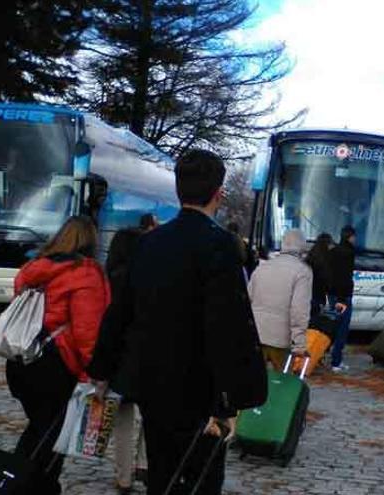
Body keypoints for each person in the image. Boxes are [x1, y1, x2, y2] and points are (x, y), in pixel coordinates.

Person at [87, 149, 267, 495]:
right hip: (198, 386)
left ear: (178, 190)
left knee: (162, 470)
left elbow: (122, 310)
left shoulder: (150, 243)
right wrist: (230, 399)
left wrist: (103, 367)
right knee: (200, 476)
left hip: (152, 380)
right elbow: (227, 325)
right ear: (219, 193)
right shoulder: (219, 245)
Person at [6, 216, 110, 494]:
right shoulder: (86, 274)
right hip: (57, 366)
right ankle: (36, 487)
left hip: (22, 361)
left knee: (39, 428)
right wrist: (96, 375)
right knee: (53, 437)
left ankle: (14, 479)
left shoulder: (35, 267)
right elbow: (88, 332)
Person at [101, 227, 148, 494]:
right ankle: (144, 463)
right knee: (150, 416)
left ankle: (123, 476)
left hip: (122, 360)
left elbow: (109, 327)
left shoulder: (113, 280)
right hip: (150, 358)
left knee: (122, 421)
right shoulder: (152, 278)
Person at [248, 229, 312, 371]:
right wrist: (299, 344)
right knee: (281, 383)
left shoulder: (262, 267)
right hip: (280, 339)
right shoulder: (302, 272)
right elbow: (299, 311)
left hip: (256, 335)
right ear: (302, 247)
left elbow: (247, 299)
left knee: (256, 381)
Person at [328, 226, 357, 372]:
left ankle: (329, 356)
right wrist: (342, 297)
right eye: (354, 237)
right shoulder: (348, 253)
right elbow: (345, 276)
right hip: (343, 296)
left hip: (333, 294)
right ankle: (336, 361)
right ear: (350, 237)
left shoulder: (333, 251)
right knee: (342, 328)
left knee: (333, 326)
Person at [305, 233, 334, 318]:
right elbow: (328, 281)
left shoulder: (309, 257)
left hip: (306, 296)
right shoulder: (327, 260)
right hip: (318, 297)